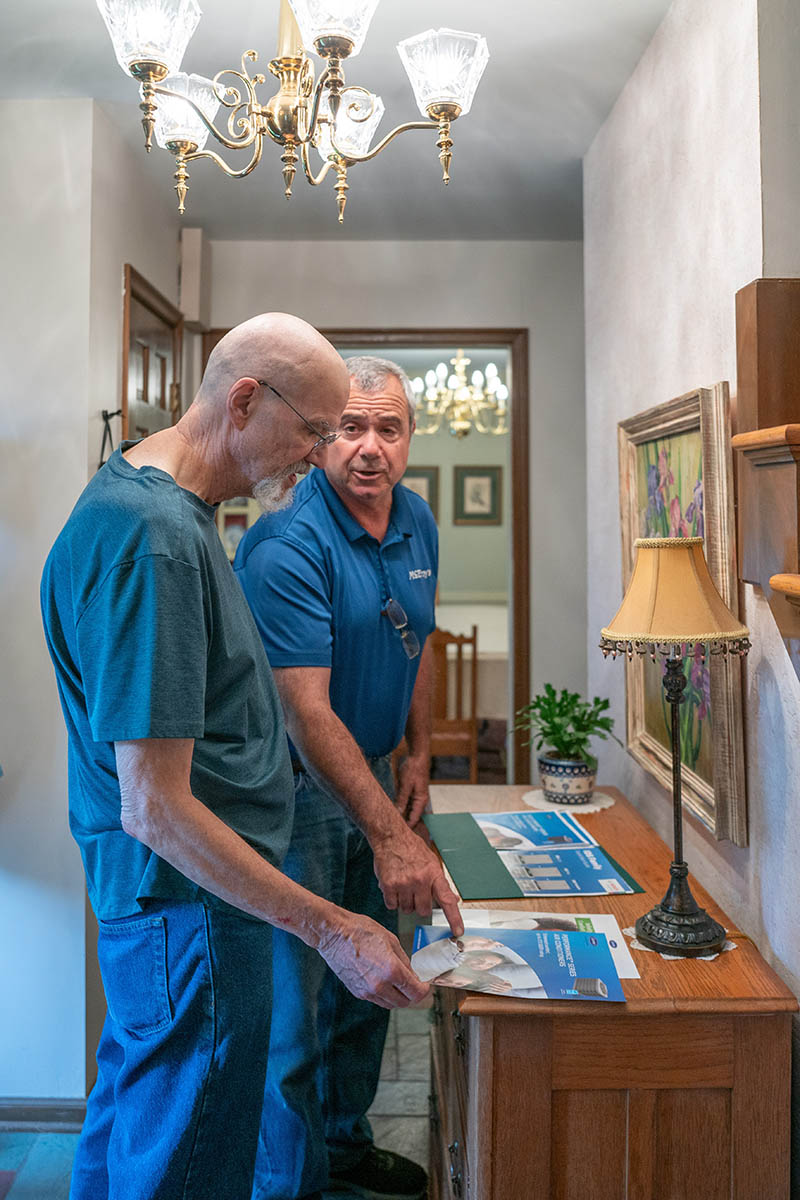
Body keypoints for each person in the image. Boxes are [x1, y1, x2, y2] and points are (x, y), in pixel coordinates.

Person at [40, 315, 431, 1200]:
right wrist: (330, 925)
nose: (321, 454)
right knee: (188, 1161)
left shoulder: (149, 503)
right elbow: (157, 806)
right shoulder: (157, 540)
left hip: (173, 907)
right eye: (315, 431)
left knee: (136, 1126)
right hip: (192, 911)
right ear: (247, 399)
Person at [235, 356, 463, 1200]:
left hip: (372, 773)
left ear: (409, 439)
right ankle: (287, 1184)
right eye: (349, 428)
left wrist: (417, 750)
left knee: (370, 986)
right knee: (298, 1009)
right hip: (293, 791)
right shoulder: (286, 544)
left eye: (388, 429)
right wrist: (392, 833)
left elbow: (422, 638)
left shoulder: (416, 520)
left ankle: (342, 1147)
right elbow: (307, 714)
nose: (369, 448)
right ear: (324, 437)